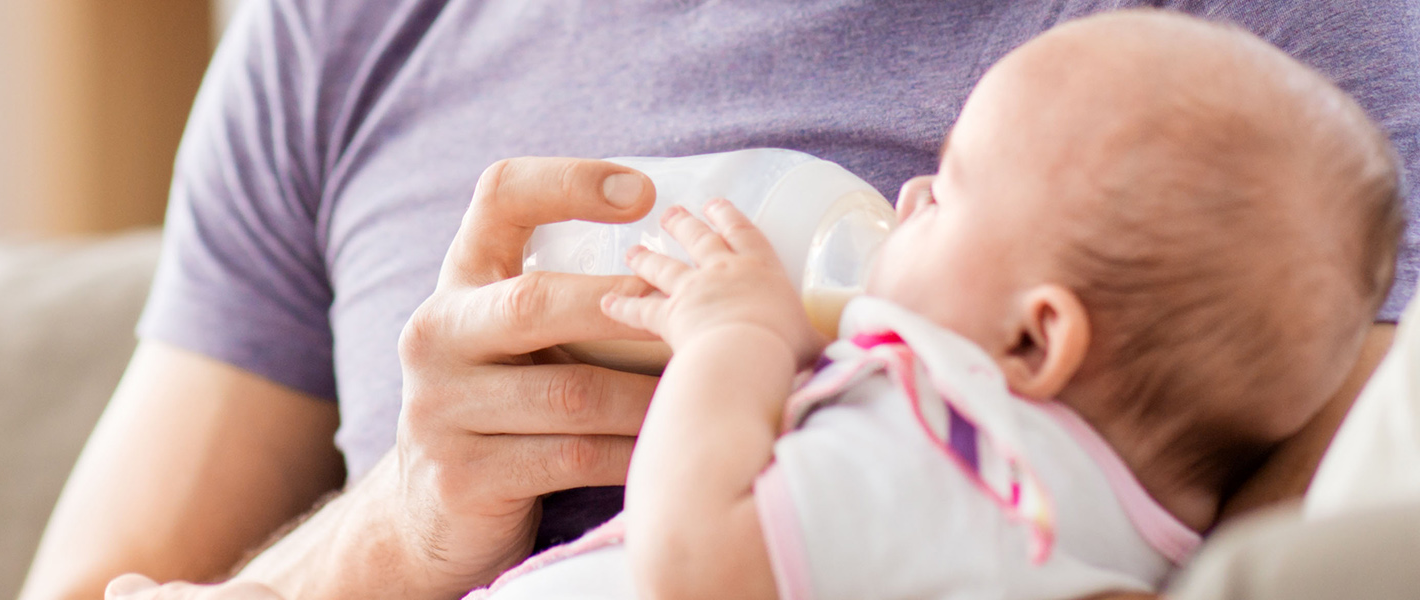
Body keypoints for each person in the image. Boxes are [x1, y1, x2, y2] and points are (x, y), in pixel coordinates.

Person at [14, 1, 1420, 599]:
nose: (920, 200)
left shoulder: (1254, 103)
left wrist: (746, 349)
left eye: (955, 183)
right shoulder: (347, 30)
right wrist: (405, 522)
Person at [464, 10, 1401, 598]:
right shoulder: (1082, 525)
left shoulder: (951, 447)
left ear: (1033, 341)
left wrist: (731, 337)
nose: (906, 196)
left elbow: (699, 567)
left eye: (947, 191)